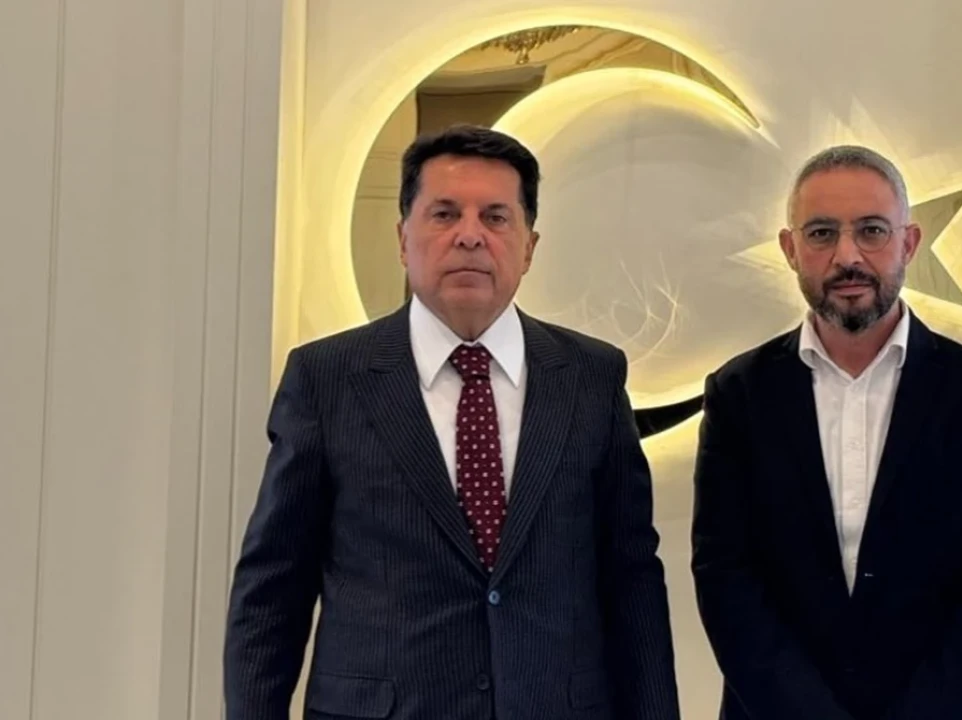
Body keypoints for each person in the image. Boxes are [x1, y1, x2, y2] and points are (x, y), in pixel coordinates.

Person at [224, 125, 680, 720]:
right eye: (444, 214)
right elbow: (274, 587)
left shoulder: (591, 377)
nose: (470, 235)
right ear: (402, 238)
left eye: (495, 217)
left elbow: (631, 579)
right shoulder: (328, 377)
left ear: (529, 246)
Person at [690, 145, 962, 720]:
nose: (847, 255)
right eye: (822, 233)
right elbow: (726, 576)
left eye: (872, 231)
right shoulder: (739, 395)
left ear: (909, 242)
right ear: (790, 249)